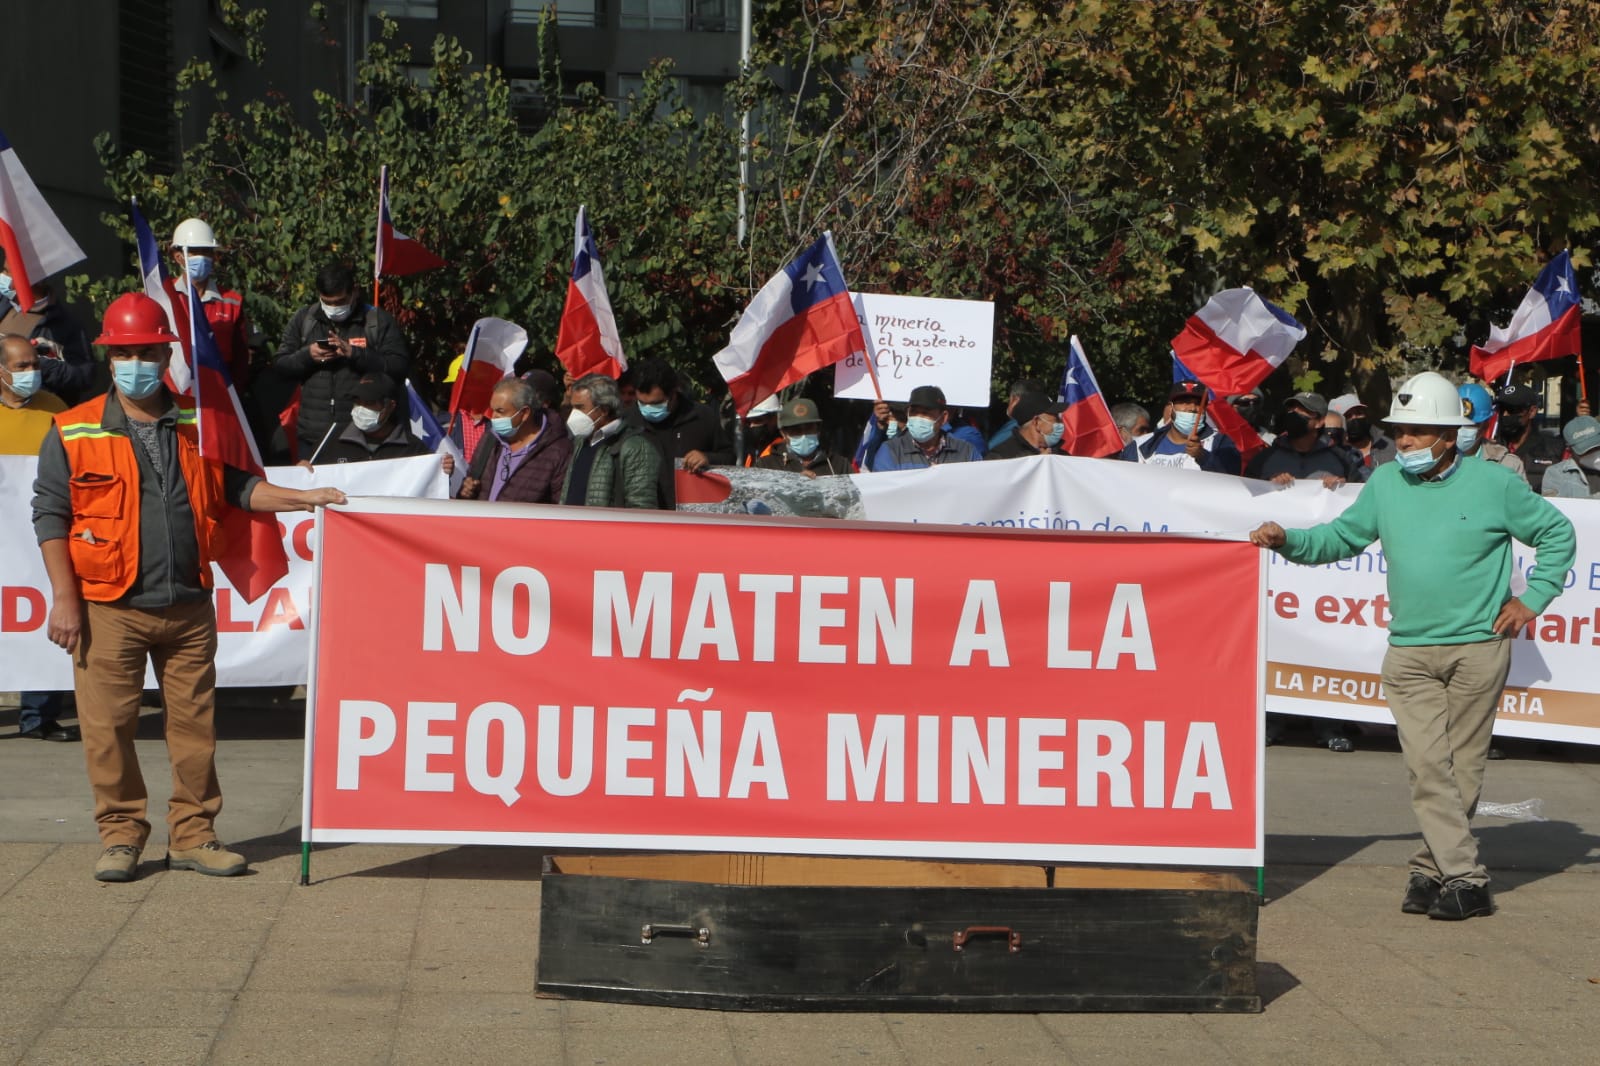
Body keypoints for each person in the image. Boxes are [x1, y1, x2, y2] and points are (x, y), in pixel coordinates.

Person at [30, 293, 347, 883]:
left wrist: (303, 499)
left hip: (189, 606)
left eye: (148, 353)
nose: (137, 364)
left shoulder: (200, 424)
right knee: (108, 731)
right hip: (108, 607)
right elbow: (50, 514)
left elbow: (239, 489)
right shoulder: (72, 429)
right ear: (109, 358)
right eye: (125, 354)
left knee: (195, 731)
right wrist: (65, 599)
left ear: (164, 356)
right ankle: (121, 836)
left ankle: (194, 836)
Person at [1250, 371, 1575, 921]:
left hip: (1479, 646)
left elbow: (1557, 533)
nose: (1404, 441)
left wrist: (1533, 599)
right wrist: (1289, 541)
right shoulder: (1385, 483)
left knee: (1462, 767)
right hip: (1409, 652)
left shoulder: (1494, 484)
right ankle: (1467, 878)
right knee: (1428, 768)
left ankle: (1430, 869)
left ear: (1449, 436)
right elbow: (1342, 537)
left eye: (1417, 431)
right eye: (1400, 431)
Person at [2, 334, 77, 741]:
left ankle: (39, 716)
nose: (32, 372)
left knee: (41, 618)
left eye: (34, 364)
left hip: (40, 537)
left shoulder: (56, 410)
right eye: (22, 366)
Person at [273, 262, 410, 461]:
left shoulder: (377, 321)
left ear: (354, 292)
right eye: (327, 302)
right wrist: (308, 356)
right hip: (313, 436)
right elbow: (280, 366)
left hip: (361, 435)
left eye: (340, 302)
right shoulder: (305, 319)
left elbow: (398, 367)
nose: (334, 308)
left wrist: (355, 354)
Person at [624, 357, 733, 506]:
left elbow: (729, 458)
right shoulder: (626, 423)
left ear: (673, 393)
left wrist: (708, 458)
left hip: (691, 512)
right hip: (644, 514)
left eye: (656, 404)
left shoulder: (702, 417)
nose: (648, 409)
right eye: (642, 403)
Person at [167, 218, 254, 388]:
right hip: (175, 393)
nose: (201, 257)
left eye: (206, 251)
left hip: (218, 391)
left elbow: (241, 360)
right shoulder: (165, 296)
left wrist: (233, 394)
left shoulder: (232, 302)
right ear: (178, 257)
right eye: (194, 251)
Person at [458, 377, 573, 504]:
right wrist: (466, 491)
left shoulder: (559, 451)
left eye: (500, 411)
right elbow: (470, 481)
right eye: (493, 410)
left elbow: (561, 506)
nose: (493, 417)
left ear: (524, 413)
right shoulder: (490, 439)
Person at [0, 263, 95, 405]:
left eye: (8, 272)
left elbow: (84, 376)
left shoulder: (66, 325)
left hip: (41, 411)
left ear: (35, 277)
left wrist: (40, 365)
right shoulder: (4, 307)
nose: (2, 277)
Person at [562, 373, 660, 508]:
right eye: (573, 407)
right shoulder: (580, 442)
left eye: (580, 408)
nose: (574, 414)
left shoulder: (635, 447)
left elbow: (641, 506)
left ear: (604, 410)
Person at [311, 373, 439, 466]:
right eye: (357, 402)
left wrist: (442, 468)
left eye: (369, 402)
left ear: (390, 406)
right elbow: (311, 474)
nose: (361, 408)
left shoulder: (413, 448)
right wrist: (304, 468)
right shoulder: (332, 438)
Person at [1245, 392, 1364, 487]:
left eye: (1304, 411)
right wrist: (1267, 482)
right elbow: (1245, 491)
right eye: (1292, 409)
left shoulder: (1341, 458)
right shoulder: (1265, 457)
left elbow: (1359, 494)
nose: (1294, 414)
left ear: (1319, 422)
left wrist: (1342, 486)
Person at [1120, 381, 1231, 472]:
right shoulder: (1140, 446)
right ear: (1170, 408)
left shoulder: (1220, 442)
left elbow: (1231, 481)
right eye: (1184, 402)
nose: (1192, 408)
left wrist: (1203, 457)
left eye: (1198, 403)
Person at [869, 385, 979, 471]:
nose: (918, 418)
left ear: (943, 418)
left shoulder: (966, 452)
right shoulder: (891, 451)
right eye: (914, 412)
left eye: (926, 413)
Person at [1492, 383, 1564, 493]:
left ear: (1532, 412)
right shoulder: (1490, 448)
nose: (1505, 414)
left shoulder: (1554, 450)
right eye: (1501, 409)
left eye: (1512, 409)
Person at [755, 397, 852, 476]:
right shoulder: (766, 466)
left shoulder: (840, 465)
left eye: (809, 428)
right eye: (796, 430)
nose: (803, 435)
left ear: (818, 429)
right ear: (783, 433)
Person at [1456, 382, 1526, 483]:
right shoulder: (1436, 460)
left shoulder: (1508, 465)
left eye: (1471, 425)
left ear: (1485, 425)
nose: (1462, 429)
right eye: (1458, 424)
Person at [986, 392, 1065, 460]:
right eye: (1056, 419)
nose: (1061, 423)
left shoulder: (1061, 455)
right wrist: (1038, 464)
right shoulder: (1000, 457)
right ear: (1036, 422)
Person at [1328, 394, 1395, 474]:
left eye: (1359, 413)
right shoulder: (1331, 456)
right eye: (1348, 416)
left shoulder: (1388, 446)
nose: (1355, 418)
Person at [1541, 416, 1600, 499]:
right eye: (1586, 451)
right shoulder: (1556, 474)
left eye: (1597, 447)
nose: (1593, 453)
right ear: (1569, 449)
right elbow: (1553, 505)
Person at [741, 393, 784, 466]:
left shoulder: (782, 450)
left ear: (774, 419)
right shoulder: (750, 451)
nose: (751, 426)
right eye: (747, 422)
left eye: (758, 420)